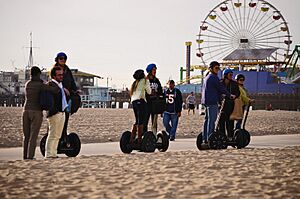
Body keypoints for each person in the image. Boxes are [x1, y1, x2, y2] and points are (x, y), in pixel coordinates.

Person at [22, 66, 59, 160]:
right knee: (33, 136)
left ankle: (24, 156)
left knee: (26, 136)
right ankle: (30, 157)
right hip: (36, 112)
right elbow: (55, 90)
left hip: (26, 111)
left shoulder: (27, 84)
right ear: (38, 74)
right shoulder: (40, 85)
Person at [201, 61, 234, 145]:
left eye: (218, 68)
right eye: (216, 68)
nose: (218, 70)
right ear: (211, 68)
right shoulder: (213, 77)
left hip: (205, 101)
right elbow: (221, 88)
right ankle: (209, 138)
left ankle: (205, 138)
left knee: (207, 120)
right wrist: (230, 95)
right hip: (212, 101)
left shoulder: (206, 77)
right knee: (212, 120)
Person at [53, 52, 80, 142]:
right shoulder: (55, 69)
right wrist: (63, 88)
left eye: (64, 58)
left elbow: (72, 81)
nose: (63, 60)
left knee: (65, 118)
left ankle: (64, 136)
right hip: (58, 97)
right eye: (61, 58)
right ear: (57, 59)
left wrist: (75, 90)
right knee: (57, 118)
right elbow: (54, 82)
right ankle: (56, 138)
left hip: (67, 97)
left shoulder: (67, 69)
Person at [45, 66, 68, 158]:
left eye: (62, 74)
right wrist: (54, 111)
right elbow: (49, 100)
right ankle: (49, 154)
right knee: (52, 134)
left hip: (61, 112)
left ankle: (53, 153)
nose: (61, 76)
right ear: (54, 76)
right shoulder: (51, 85)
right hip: (54, 113)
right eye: (59, 75)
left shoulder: (60, 85)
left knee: (58, 135)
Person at [130, 69, 151, 145]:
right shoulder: (145, 81)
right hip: (140, 101)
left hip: (134, 101)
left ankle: (131, 139)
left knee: (137, 120)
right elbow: (149, 91)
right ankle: (139, 140)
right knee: (141, 121)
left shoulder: (135, 83)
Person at [219, 68, 240, 140]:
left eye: (232, 75)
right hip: (221, 105)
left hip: (231, 105)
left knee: (230, 121)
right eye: (230, 75)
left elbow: (238, 92)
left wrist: (235, 96)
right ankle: (222, 136)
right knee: (221, 121)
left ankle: (230, 136)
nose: (231, 76)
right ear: (225, 75)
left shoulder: (234, 84)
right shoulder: (220, 83)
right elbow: (218, 92)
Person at [143, 63, 163, 134]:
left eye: (155, 70)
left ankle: (154, 135)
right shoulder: (145, 80)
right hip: (147, 104)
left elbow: (160, 90)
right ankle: (144, 135)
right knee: (145, 121)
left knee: (154, 122)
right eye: (153, 70)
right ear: (150, 71)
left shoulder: (156, 80)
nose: (155, 71)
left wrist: (159, 95)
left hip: (155, 104)